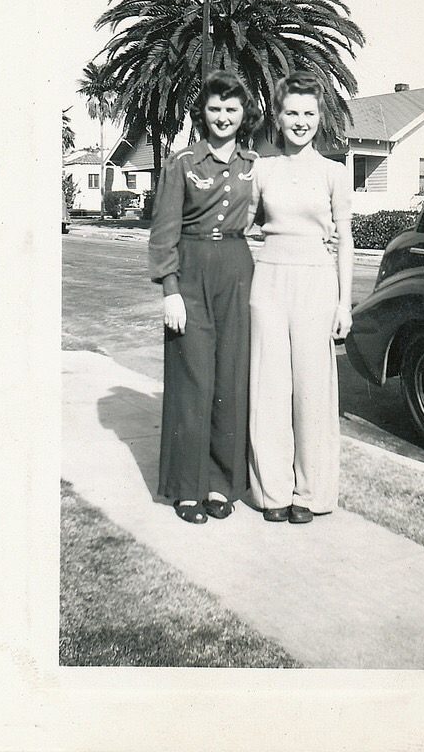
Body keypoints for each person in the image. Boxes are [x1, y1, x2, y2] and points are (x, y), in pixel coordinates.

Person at [149, 71, 261, 524]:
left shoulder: (254, 164)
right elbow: (163, 235)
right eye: (215, 108)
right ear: (203, 112)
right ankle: (187, 488)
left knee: (230, 380)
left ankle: (221, 483)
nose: (223, 117)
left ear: (243, 114)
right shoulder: (181, 164)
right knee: (192, 381)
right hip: (191, 272)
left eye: (231, 109)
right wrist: (170, 290)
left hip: (237, 270)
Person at [247, 72, 354, 524]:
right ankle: (273, 491)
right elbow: (238, 225)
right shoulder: (263, 169)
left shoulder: (335, 172)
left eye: (309, 113)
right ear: (278, 115)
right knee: (269, 389)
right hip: (268, 281)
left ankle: (309, 493)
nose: (300, 121)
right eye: (292, 112)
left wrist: (344, 303)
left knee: (312, 391)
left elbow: (345, 238)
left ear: (320, 117)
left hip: (316, 283)